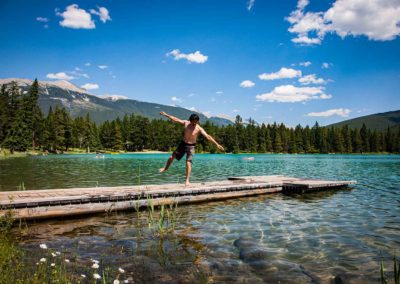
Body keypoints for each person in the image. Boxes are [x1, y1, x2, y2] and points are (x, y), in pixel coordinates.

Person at [159, 111, 224, 186]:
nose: (194, 124)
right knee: (171, 157)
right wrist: (166, 114)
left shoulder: (199, 128)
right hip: (183, 144)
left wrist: (217, 144)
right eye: (193, 122)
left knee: (188, 162)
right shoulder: (186, 123)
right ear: (190, 120)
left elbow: (208, 136)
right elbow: (175, 119)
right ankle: (165, 168)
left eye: (195, 122)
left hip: (191, 146)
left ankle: (187, 181)